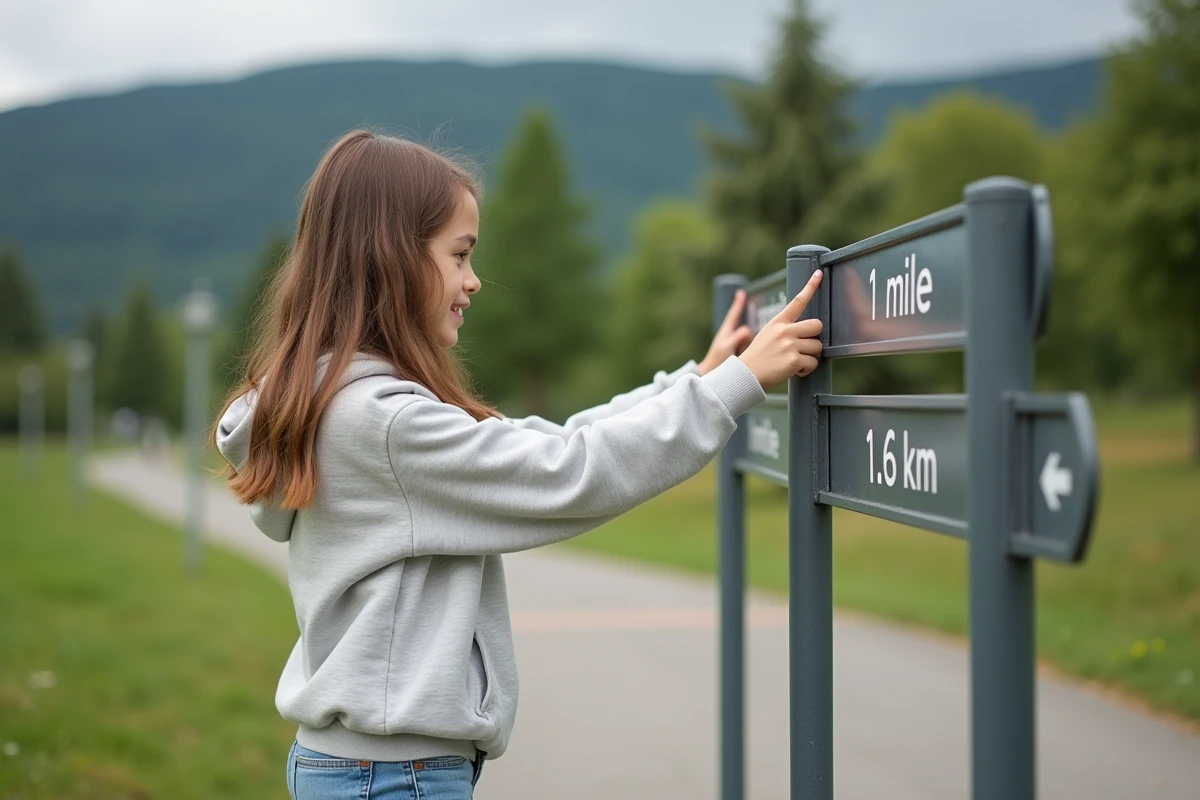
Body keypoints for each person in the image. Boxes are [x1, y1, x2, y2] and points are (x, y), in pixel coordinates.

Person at [213, 129, 824, 800]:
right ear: (390, 259)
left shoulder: (343, 405)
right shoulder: (387, 423)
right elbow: (569, 471)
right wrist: (733, 388)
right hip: (392, 776)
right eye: (459, 255)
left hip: (369, 768)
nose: (473, 280)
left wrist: (697, 380)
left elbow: (546, 442)